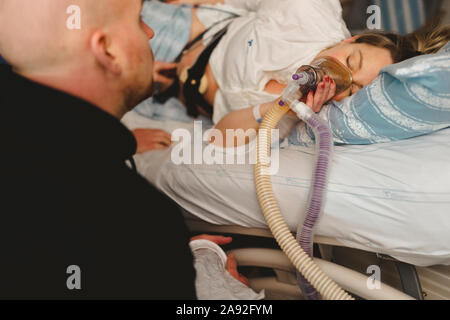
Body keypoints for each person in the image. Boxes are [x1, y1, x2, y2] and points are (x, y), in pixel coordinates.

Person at [0, 0, 246, 299]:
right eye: (139, 20)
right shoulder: (133, 220)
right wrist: (225, 293)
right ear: (107, 50)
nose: (151, 32)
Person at [135, 0, 449, 149]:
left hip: (168, 100)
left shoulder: (300, 114)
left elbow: (219, 137)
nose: (338, 78)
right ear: (349, 40)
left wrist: (284, 107)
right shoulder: (310, 14)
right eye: (350, 62)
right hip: (182, 35)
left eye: (352, 90)